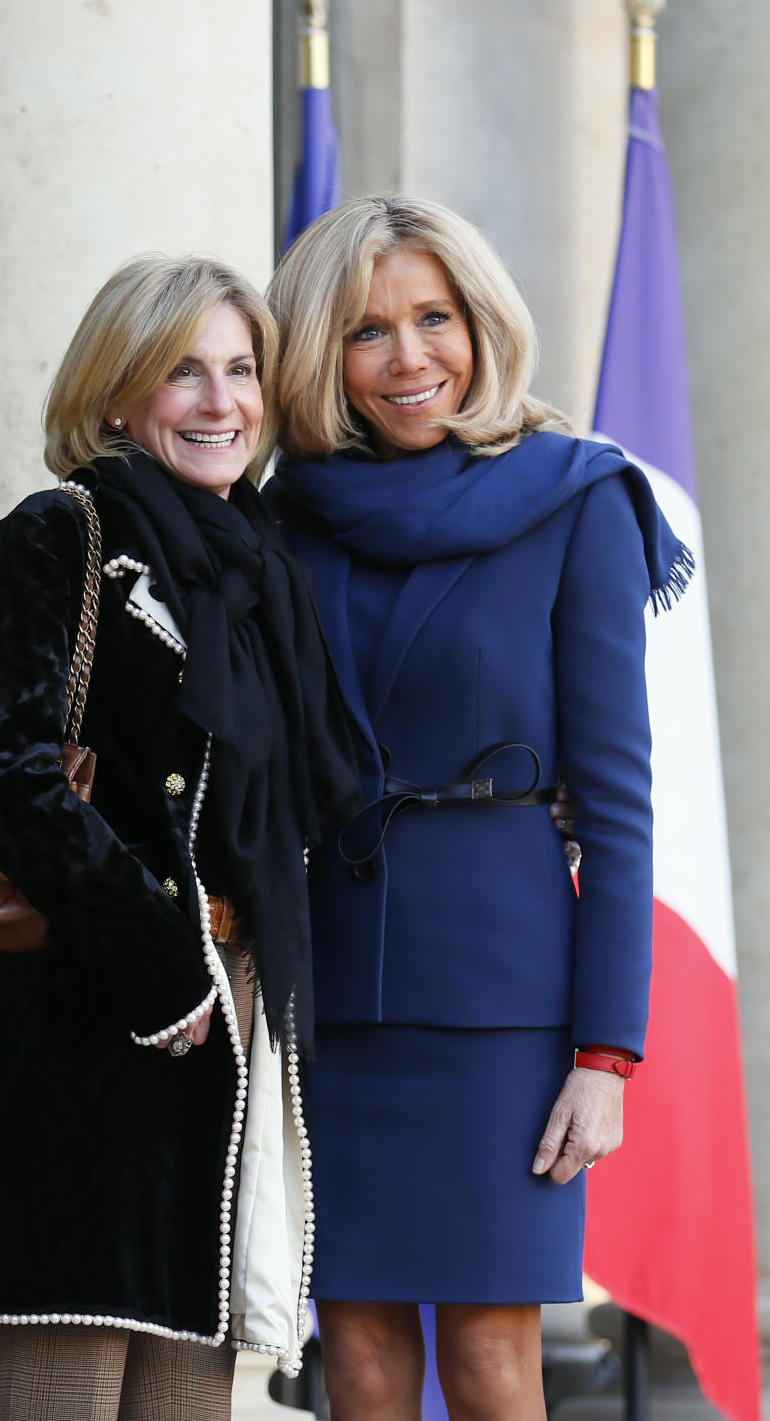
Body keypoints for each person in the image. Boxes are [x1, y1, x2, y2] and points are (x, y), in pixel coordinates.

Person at [265, 195, 692, 1421]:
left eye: (433, 318)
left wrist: (607, 1053)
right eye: (367, 330)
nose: (410, 359)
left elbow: (616, 800)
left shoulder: (579, 498)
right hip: (327, 984)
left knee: (496, 1362)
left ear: (479, 323)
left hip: (506, 1001)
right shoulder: (281, 520)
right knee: (352, 1357)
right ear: (319, 356)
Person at [0, 255, 357, 1421]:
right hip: (91, 1022)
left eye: (241, 370)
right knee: (64, 1396)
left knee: (185, 1399)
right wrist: (162, 966)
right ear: (118, 394)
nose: (222, 401)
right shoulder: (59, 532)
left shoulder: (260, 566)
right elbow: (6, 772)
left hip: (229, 1025)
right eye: (184, 371)